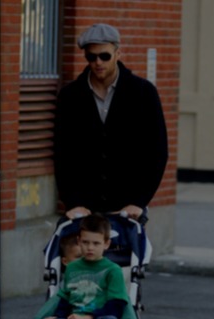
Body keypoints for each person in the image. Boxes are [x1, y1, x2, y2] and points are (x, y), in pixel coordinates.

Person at [53, 23, 168, 222]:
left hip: (127, 209)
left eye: (104, 56)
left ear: (118, 53)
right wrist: (72, 202)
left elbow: (157, 152)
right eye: (91, 57)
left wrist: (139, 201)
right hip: (84, 210)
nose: (98, 62)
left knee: (125, 254)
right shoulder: (70, 96)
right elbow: (63, 154)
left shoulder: (143, 92)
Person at [18, 231, 140, 319]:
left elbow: (116, 302)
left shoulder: (107, 270)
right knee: (57, 298)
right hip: (75, 310)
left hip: (101, 310)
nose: (86, 257)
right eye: (78, 257)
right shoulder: (73, 270)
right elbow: (64, 301)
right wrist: (58, 316)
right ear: (65, 262)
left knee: (122, 296)